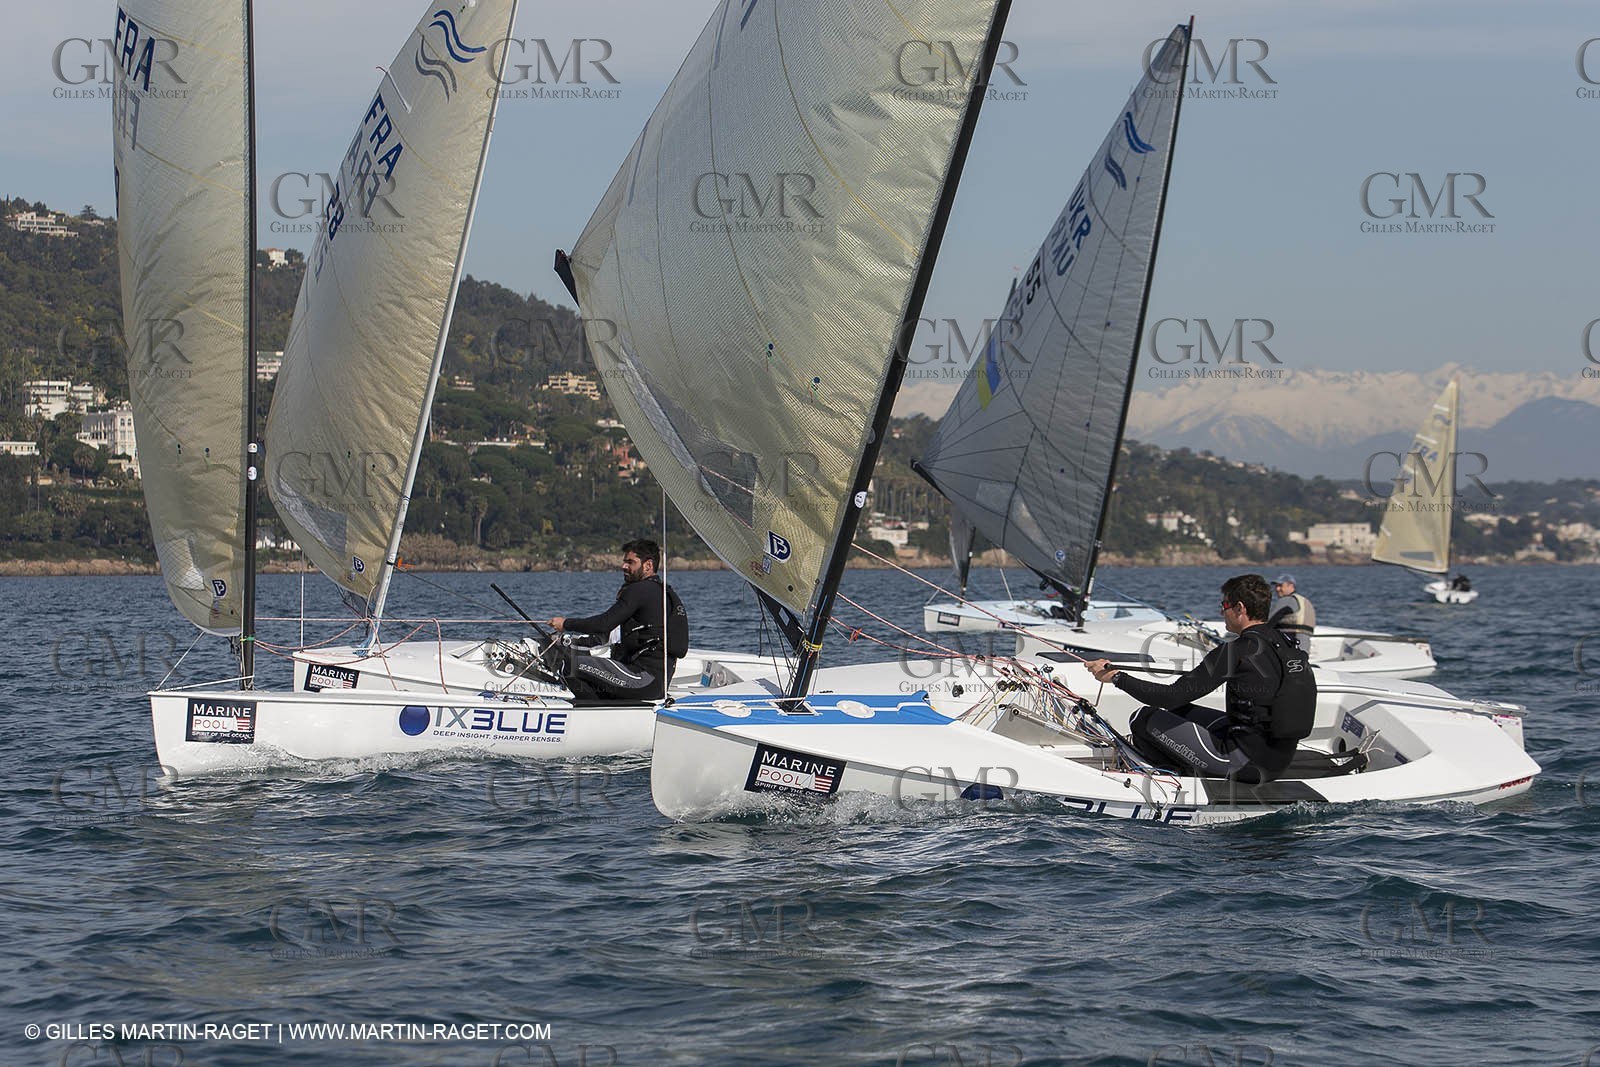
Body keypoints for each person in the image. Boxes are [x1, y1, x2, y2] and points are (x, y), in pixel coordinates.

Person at [1085, 574, 1316, 785]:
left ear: (1240, 608)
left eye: (1224, 606)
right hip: (1277, 761)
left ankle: (1175, 777)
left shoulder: (1236, 651)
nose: (1221, 612)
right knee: (1179, 711)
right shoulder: (1285, 644)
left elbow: (1170, 697)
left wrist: (1117, 678)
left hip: (1245, 764)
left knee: (1142, 718)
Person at [549, 538, 689, 701]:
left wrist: (565, 623)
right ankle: (602, 705)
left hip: (643, 679)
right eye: (624, 562)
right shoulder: (662, 592)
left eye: (630, 562)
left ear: (648, 565)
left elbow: (604, 624)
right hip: (655, 683)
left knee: (571, 665)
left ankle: (596, 710)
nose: (624, 566)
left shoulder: (639, 590)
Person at [1269, 573, 1316, 652]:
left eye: (1280, 586)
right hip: (1305, 646)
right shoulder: (1306, 602)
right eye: (1276, 586)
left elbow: (1268, 623)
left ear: (1291, 585)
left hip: (1289, 646)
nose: (1277, 589)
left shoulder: (1286, 601)